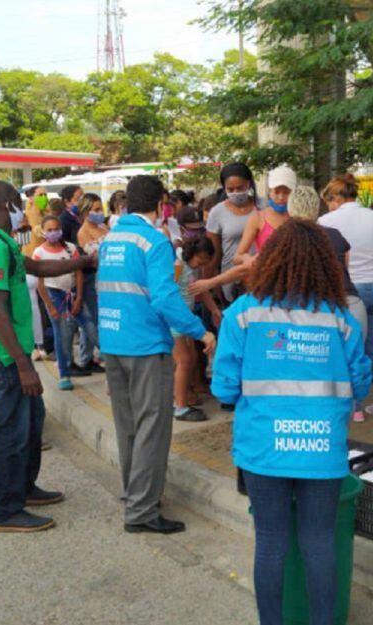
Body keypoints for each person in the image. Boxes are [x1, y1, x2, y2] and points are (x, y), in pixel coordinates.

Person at [212, 219, 372, 625]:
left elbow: (224, 388)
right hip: (322, 450)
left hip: (263, 449)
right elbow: (360, 382)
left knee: (271, 543)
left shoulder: (243, 314)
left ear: (270, 259)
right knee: (319, 543)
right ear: (325, 264)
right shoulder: (340, 319)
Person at [97, 174, 216, 534]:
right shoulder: (154, 241)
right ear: (161, 204)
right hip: (145, 345)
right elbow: (165, 298)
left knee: (128, 426)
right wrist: (200, 331)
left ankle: (134, 494)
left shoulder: (110, 239)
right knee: (152, 427)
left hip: (113, 341)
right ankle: (142, 511)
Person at [0, 180, 92, 532]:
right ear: (8, 204)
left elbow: (38, 269)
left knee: (30, 424)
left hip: (15, 355)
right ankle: (7, 510)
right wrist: (24, 366)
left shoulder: (6, 242)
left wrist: (83, 261)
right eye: (22, 203)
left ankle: (25, 489)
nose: (27, 210)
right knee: (10, 434)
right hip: (4, 359)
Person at [317, 174, 373, 423]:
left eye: (329, 201)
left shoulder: (325, 221)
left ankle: (355, 408)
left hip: (346, 290)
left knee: (349, 349)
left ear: (335, 198)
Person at [286, 185, 365, 333]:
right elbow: (345, 266)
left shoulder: (286, 239)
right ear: (317, 209)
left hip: (318, 311)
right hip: (352, 305)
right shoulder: (335, 235)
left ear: (289, 210)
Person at [34, 215, 86, 391]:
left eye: (56, 229)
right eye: (49, 230)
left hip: (72, 293)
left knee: (91, 329)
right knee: (61, 334)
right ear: (43, 232)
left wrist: (79, 297)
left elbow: (78, 273)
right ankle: (64, 374)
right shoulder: (39, 253)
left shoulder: (70, 248)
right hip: (55, 295)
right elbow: (40, 283)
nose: (54, 232)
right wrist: (50, 306)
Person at [172, 234, 217, 422]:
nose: (201, 265)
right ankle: (180, 406)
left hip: (185, 321)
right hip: (175, 320)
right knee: (183, 360)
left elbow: (201, 289)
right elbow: (167, 292)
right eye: (200, 260)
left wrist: (214, 310)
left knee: (190, 359)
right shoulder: (178, 265)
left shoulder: (191, 268)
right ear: (192, 253)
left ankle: (183, 396)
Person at [206, 163, 259, 303]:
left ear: (249, 184)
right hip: (230, 279)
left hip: (260, 277)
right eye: (230, 189)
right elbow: (214, 253)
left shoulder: (262, 207)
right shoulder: (217, 212)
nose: (235, 192)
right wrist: (213, 283)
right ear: (224, 188)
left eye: (240, 188)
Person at [73, 193, 107, 376]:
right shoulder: (82, 233)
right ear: (86, 212)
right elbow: (93, 260)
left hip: (108, 278)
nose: (100, 213)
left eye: (101, 208)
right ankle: (103, 353)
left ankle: (86, 358)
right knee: (94, 321)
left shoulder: (104, 227)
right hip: (94, 281)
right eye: (96, 209)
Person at [238, 165, 297, 255]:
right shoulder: (258, 218)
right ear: (270, 192)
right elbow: (239, 256)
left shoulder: (299, 218)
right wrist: (255, 260)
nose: (281, 197)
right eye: (276, 192)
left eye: (286, 192)